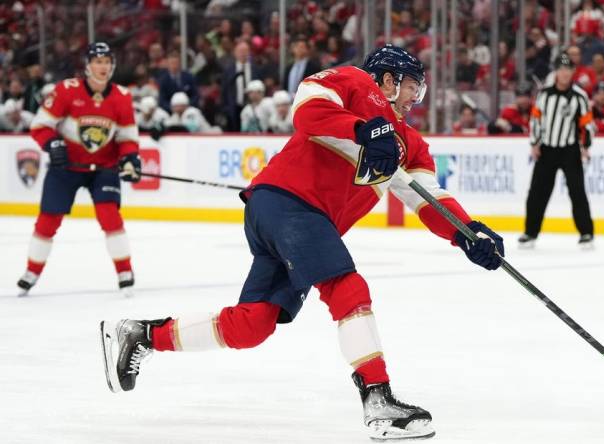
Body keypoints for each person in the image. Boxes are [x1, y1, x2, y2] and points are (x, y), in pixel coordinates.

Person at [99, 44, 505, 441]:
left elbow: (428, 197)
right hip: (289, 205)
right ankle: (377, 399)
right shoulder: (356, 81)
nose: (418, 95)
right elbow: (307, 108)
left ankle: (144, 334)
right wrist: (362, 128)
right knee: (347, 287)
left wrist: (468, 233)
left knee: (253, 324)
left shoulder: (410, 145)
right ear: (388, 78)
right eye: (413, 84)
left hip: (296, 219)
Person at [18, 42, 141, 296]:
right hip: (67, 167)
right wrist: (52, 144)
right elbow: (40, 126)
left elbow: (127, 138)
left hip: (103, 167)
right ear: (88, 66)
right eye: (98, 61)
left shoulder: (122, 96)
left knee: (110, 217)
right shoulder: (66, 90)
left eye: (107, 62)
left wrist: (130, 159)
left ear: (112, 65)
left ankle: (124, 271)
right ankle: (32, 271)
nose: (103, 67)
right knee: (48, 221)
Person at [519, 53, 594, 250]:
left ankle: (586, 233)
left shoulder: (579, 96)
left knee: (577, 192)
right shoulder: (544, 94)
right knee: (537, 193)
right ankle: (530, 232)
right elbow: (536, 119)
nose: (564, 73)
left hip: (570, 150)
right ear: (556, 72)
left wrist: (585, 147)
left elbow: (587, 124)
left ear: (572, 72)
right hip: (547, 150)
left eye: (568, 69)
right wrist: (535, 143)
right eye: (561, 69)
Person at [221, 41, 263, 132]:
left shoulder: (256, 69)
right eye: (240, 51)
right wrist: (226, 108)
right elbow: (224, 91)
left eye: (245, 51)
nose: (243, 54)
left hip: (252, 107)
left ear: (249, 53)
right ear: (235, 53)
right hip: (234, 108)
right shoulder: (228, 71)